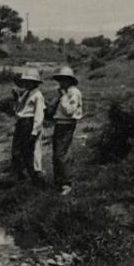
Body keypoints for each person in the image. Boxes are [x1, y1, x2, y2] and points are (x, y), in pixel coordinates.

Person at [49, 66, 84, 195]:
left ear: (70, 80)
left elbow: (69, 111)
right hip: (60, 124)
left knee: (61, 154)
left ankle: (66, 183)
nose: (61, 83)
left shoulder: (72, 93)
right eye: (60, 80)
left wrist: (63, 98)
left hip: (66, 124)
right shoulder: (66, 92)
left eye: (64, 80)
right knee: (57, 153)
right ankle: (58, 181)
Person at [10, 67, 46, 184]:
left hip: (28, 123)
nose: (26, 84)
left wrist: (35, 131)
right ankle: (20, 175)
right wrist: (16, 98)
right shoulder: (27, 93)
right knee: (16, 150)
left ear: (35, 83)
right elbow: (19, 108)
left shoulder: (38, 95)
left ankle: (33, 177)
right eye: (25, 82)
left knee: (27, 150)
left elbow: (39, 114)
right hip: (22, 122)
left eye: (29, 82)